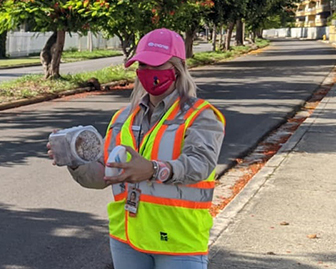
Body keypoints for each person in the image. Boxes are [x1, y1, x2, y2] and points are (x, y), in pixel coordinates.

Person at [49, 28, 226, 268]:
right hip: (127, 239)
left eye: (156, 65)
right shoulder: (123, 118)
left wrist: (153, 169)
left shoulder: (201, 116)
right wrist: (74, 158)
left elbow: (200, 165)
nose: (147, 72)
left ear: (176, 69)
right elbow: (104, 176)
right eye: (143, 64)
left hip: (178, 241)